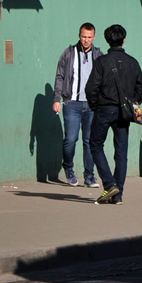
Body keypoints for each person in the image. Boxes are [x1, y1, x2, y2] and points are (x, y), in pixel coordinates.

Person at [85, 24, 142, 205]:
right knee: (121, 152)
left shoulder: (101, 62)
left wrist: (96, 105)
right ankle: (118, 194)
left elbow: (91, 88)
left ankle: (110, 184)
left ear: (106, 40)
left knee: (95, 144)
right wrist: (132, 103)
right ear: (124, 40)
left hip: (104, 108)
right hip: (124, 112)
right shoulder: (132, 62)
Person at [53, 23, 103, 188]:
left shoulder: (98, 55)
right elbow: (60, 76)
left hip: (91, 105)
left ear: (94, 37)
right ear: (79, 35)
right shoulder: (68, 53)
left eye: (89, 37)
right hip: (71, 103)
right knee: (71, 139)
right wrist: (56, 99)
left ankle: (89, 176)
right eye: (83, 36)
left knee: (89, 141)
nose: (86, 40)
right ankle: (68, 167)